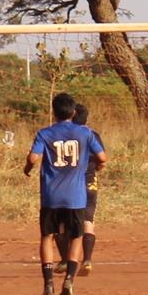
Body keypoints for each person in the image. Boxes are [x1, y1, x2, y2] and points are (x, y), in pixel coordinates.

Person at [24, 93, 107, 295]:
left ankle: (48, 283)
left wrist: (27, 168)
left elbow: (33, 157)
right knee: (77, 236)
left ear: (54, 111)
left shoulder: (44, 133)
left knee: (47, 237)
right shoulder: (86, 133)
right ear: (73, 112)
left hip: (51, 196)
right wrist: (99, 165)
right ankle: (69, 279)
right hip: (75, 196)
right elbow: (102, 157)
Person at [53, 104, 104, 277]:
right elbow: (102, 159)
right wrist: (94, 169)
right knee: (87, 220)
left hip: (67, 183)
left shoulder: (64, 135)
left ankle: (65, 260)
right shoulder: (92, 134)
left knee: (61, 222)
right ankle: (87, 260)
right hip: (90, 182)